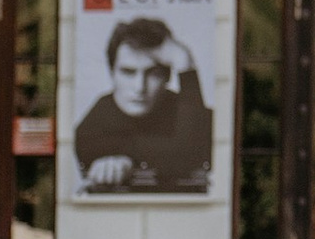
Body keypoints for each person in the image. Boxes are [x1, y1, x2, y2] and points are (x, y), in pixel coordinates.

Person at [72, 14, 214, 195]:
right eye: (128, 72)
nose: (140, 88)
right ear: (112, 73)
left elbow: (193, 153)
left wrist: (184, 62)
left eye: (153, 74)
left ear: (167, 76)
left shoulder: (194, 112)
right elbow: (185, 158)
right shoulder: (91, 128)